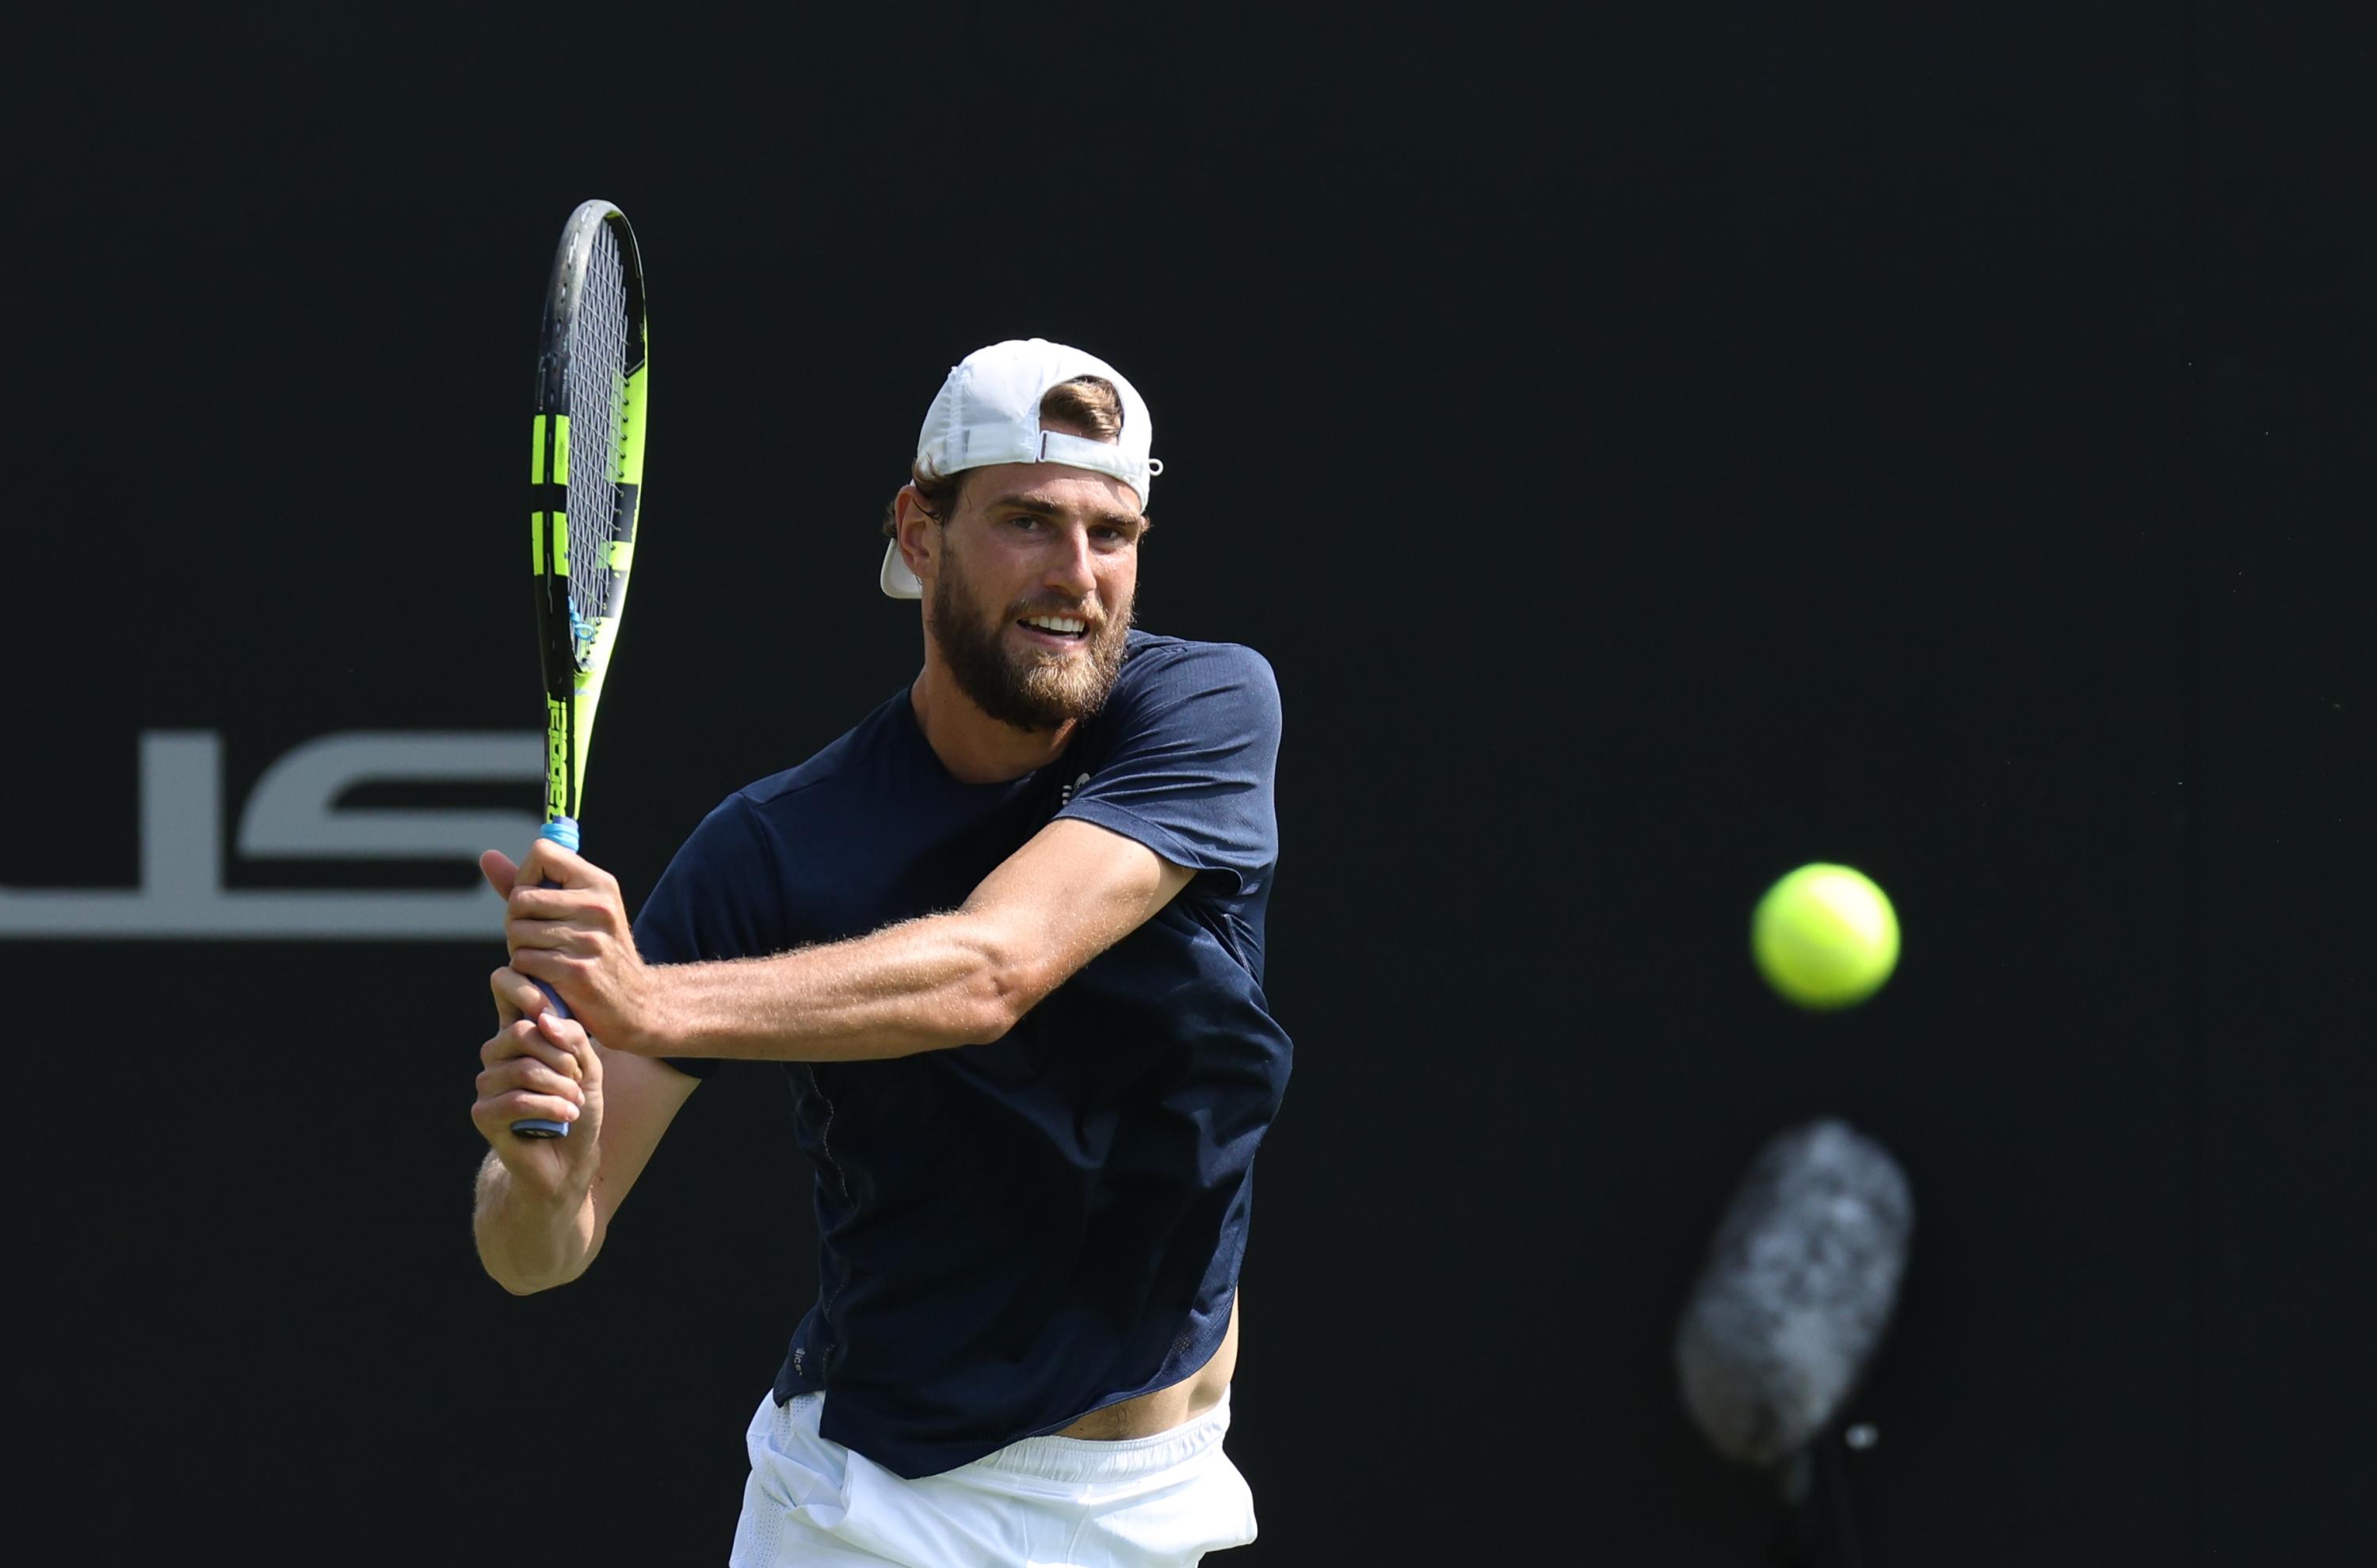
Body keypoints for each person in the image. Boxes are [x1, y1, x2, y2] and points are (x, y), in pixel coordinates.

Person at [469, 338, 1293, 1567]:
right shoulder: (770, 849)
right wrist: (539, 1181)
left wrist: (644, 1001)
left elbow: (990, 970)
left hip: (1161, 1504)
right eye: (1025, 520)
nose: (1077, 575)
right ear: (919, 532)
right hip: (878, 1519)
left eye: (1110, 533)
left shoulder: (1203, 712)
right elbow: (535, 1254)